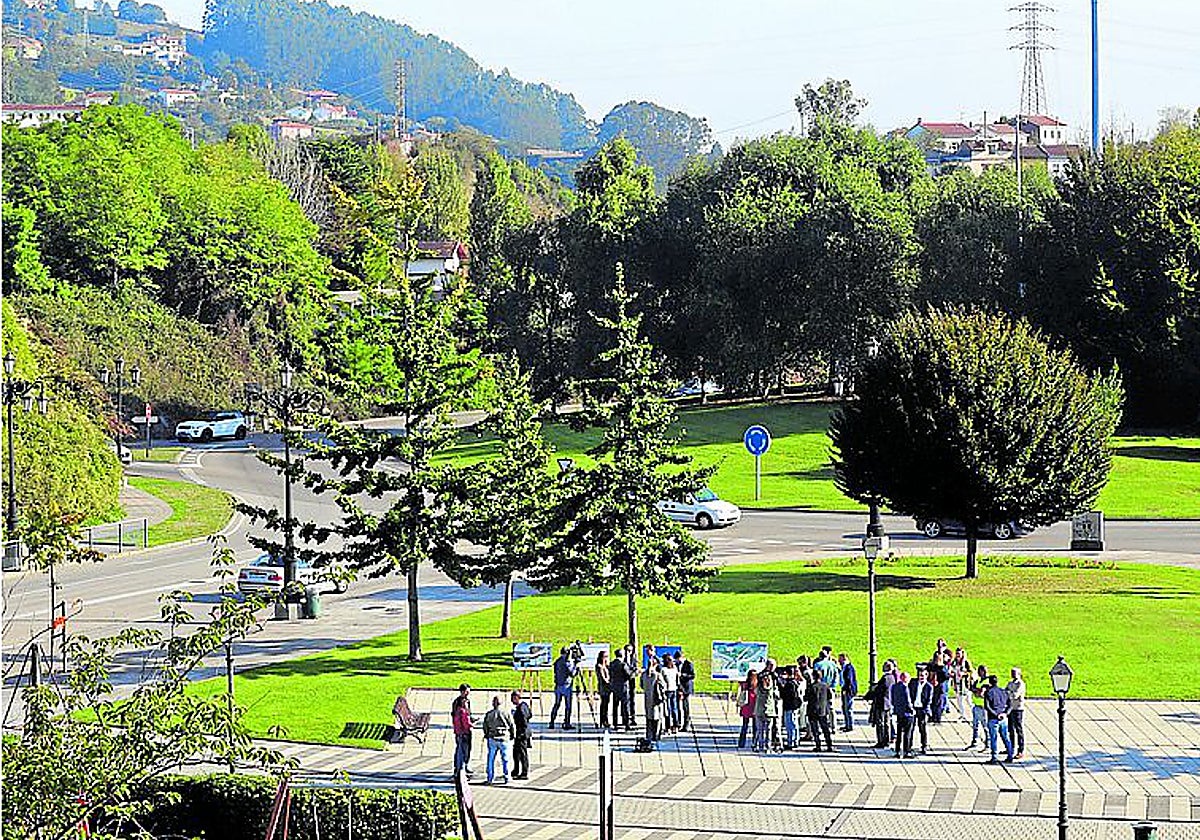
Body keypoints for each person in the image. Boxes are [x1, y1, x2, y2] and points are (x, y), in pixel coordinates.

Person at [482, 694, 515, 784]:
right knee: (506, 759)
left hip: (492, 738)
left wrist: (487, 734)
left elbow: (485, 726)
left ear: (493, 703)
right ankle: (507, 777)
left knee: (491, 759)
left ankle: (490, 778)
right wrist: (512, 735)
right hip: (504, 738)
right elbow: (512, 725)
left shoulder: (489, 714)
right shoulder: (506, 713)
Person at [984, 675, 1015, 763]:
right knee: (1006, 737)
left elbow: (987, 706)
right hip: (1003, 718)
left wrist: (996, 714)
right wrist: (1005, 713)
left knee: (994, 738)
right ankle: (1010, 755)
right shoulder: (1003, 691)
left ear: (990, 682)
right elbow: (1010, 705)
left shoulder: (988, 692)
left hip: (993, 718)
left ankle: (994, 757)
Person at [549, 646, 578, 730]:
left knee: (557, 704)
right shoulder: (566, 662)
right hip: (566, 686)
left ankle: (552, 722)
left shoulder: (557, 661)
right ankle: (567, 723)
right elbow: (572, 673)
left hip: (558, 685)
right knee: (568, 706)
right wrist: (575, 665)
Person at [806, 672, 834, 752]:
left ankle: (818, 745)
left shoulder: (811, 687)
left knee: (815, 729)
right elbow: (829, 696)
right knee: (825, 728)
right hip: (822, 710)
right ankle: (829, 745)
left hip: (812, 710)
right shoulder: (825, 686)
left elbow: (806, 697)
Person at [753, 671, 781, 752]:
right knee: (766, 730)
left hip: (761, 711)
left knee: (762, 730)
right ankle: (766, 746)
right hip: (768, 711)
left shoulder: (759, 688)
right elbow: (777, 696)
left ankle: (762, 746)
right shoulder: (772, 688)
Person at [890, 671, 915, 758]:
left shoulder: (894, 687)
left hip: (898, 712)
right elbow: (908, 701)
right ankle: (906, 751)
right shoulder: (905, 688)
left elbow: (893, 699)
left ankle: (897, 751)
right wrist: (912, 710)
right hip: (907, 714)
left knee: (899, 733)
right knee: (907, 733)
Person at [452, 683, 475, 777]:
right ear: (462, 691)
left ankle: (463, 766)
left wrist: (471, 718)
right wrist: (470, 724)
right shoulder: (459, 704)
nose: (468, 693)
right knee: (461, 750)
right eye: (466, 692)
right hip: (462, 730)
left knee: (465, 749)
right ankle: (460, 768)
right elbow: (461, 718)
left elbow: (468, 715)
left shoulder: (466, 701)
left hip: (463, 730)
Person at [909, 669, 934, 754]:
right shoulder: (913, 683)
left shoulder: (929, 687)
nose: (921, 677)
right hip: (913, 708)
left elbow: (929, 700)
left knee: (922, 728)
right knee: (910, 728)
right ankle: (909, 746)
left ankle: (924, 746)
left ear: (926, 676)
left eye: (923, 675)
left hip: (922, 709)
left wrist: (925, 711)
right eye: (920, 675)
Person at [966, 664, 990, 750]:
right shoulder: (979, 680)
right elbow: (972, 689)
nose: (979, 673)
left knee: (985, 726)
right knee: (975, 725)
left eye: (980, 671)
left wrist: (977, 691)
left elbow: (982, 693)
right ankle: (975, 741)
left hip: (984, 707)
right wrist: (976, 690)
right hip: (976, 705)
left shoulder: (987, 681)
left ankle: (988, 743)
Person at [510, 691, 532, 780]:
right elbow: (530, 715)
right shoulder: (524, 705)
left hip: (522, 734)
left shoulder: (521, 709)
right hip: (524, 733)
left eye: (512, 698)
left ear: (516, 698)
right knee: (516, 753)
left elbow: (524, 721)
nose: (511, 701)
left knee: (522, 754)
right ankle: (516, 770)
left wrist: (521, 733)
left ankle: (524, 773)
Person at [1005, 667, 1026, 760]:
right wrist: (1009, 693)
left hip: (1018, 709)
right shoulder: (1010, 683)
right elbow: (1006, 692)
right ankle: (1011, 747)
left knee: (1018, 729)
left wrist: (1009, 693)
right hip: (1010, 709)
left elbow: (1015, 695)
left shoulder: (1020, 684)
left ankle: (1020, 750)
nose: (1012, 674)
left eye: (1014, 673)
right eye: (1012, 672)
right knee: (1010, 729)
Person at [642, 658, 664, 742]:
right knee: (657, 717)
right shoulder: (657, 675)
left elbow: (642, 685)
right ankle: (656, 735)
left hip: (647, 699)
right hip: (656, 699)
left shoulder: (644, 674)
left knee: (649, 718)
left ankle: (649, 735)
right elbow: (663, 686)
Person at [780, 666, 801, 749]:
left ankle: (791, 742)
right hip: (795, 706)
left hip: (789, 706)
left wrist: (781, 687)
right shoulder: (795, 682)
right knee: (795, 724)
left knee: (790, 724)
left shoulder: (789, 684)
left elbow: (785, 695)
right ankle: (795, 740)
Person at [609, 649, 630, 731]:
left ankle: (615, 723)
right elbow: (628, 675)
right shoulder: (623, 664)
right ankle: (626, 723)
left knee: (615, 706)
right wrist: (635, 672)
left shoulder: (612, 664)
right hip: (623, 687)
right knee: (625, 706)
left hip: (615, 687)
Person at [737, 670, 758, 749]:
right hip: (754, 706)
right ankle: (754, 742)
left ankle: (741, 743)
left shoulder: (745, 684)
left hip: (746, 707)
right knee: (755, 727)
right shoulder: (757, 685)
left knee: (744, 726)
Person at [927, 651, 949, 725]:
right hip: (931, 685)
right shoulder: (931, 666)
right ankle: (931, 717)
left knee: (939, 703)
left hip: (939, 686)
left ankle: (937, 718)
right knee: (931, 701)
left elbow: (946, 677)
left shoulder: (942, 667)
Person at [661, 654, 681, 733]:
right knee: (674, 708)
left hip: (667, 691)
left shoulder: (663, 670)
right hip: (674, 689)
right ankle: (675, 726)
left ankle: (668, 726)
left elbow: (661, 681)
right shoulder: (675, 669)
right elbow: (677, 680)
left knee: (668, 709)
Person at [951, 648, 973, 721]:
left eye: (959, 654)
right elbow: (952, 671)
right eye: (957, 653)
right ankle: (962, 714)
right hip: (957, 684)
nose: (958, 655)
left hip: (965, 685)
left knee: (969, 701)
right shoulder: (954, 662)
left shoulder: (966, 662)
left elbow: (971, 672)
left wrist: (963, 674)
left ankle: (974, 714)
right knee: (959, 700)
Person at [838, 653, 858, 732]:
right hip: (845, 690)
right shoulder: (844, 667)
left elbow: (849, 680)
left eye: (840, 659)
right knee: (844, 708)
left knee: (848, 708)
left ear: (844, 659)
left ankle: (850, 726)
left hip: (848, 691)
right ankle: (847, 724)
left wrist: (845, 690)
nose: (838, 661)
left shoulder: (849, 667)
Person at [676, 651, 695, 732]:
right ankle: (678, 723)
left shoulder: (688, 664)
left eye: (678, 659)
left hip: (686, 688)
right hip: (678, 688)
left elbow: (692, 675)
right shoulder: (676, 664)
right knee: (677, 707)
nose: (678, 661)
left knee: (686, 707)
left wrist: (683, 675)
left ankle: (686, 725)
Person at [623, 644, 640, 728]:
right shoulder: (622, 659)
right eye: (627, 650)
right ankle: (625, 719)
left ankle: (632, 718)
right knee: (625, 701)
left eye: (630, 651)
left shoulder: (634, 659)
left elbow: (636, 670)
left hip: (632, 682)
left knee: (632, 700)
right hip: (624, 683)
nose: (628, 652)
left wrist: (633, 674)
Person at [596, 649, 612, 729]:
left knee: (606, 704)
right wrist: (609, 682)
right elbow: (603, 678)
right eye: (605, 657)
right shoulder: (599, 666)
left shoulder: (606, 666)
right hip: (603, 687)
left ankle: (605, 719)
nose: (606, 658)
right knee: (604, 704)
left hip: (607, 688)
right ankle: (603, 720)